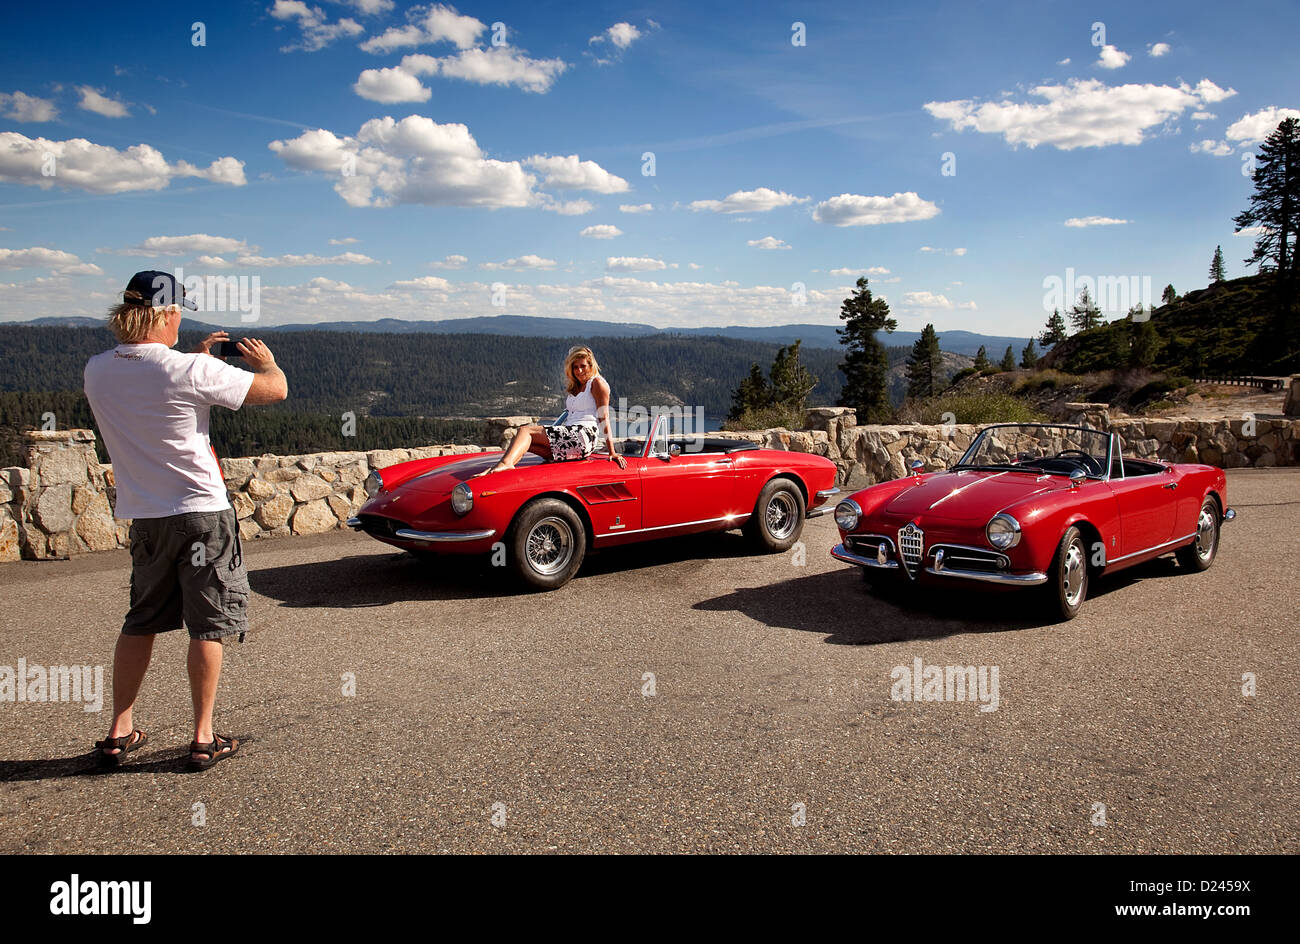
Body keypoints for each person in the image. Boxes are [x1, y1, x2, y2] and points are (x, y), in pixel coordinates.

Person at [83, 270, 288, 772]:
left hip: (145, 514)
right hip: (200, 511)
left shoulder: (98, 368)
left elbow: (155, 384)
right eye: (178, 313)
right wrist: (268, 363)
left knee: (141, 621)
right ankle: (201, 737)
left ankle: (119, 731)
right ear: (168, 314)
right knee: (207, 624)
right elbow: (274, 391)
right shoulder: (186, 370)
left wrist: (193, 360)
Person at [476, 346, 626, 476]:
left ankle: (504, 464)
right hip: (570, 434)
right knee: (525, 443)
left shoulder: (597, 383)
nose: (579, 371)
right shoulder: (576, 386)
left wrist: (611, 451)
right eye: (575, 367)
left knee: (524, 431)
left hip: (584, 435)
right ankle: (497, 470)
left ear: (590, 366)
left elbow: (603, 416)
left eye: (583, 366)